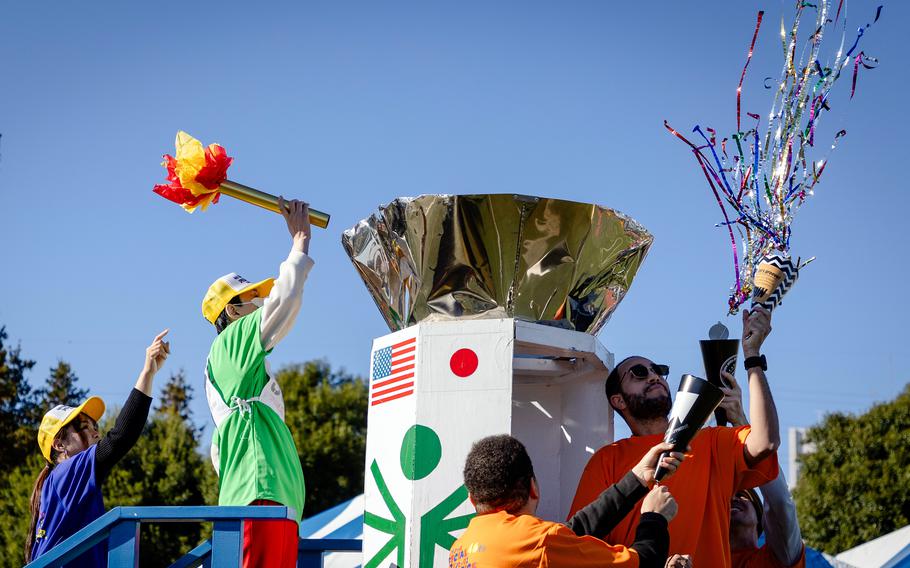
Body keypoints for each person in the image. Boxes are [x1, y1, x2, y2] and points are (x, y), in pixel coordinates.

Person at [568, 307, 781, 567]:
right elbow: (578, 544)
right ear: (618, 400)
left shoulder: (711, 441)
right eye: (639, 373)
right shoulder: (607, 460)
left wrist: (752, 358)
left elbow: (766, 441)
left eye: (657, 369)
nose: (654, 375)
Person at [202, 197, 313, 568]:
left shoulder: (239, 371)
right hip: (259, 496)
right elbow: (283, 303)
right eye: (251, 299)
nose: (259, 303)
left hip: (270, 499)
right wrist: (299, 242)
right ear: (232, 311)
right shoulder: (228, 343)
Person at [25, 330, 170, 567]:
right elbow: (120, 438)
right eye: (84, 427)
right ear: (59, 445)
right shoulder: (65, 474)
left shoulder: (60, 485)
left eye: (95, 426)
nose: (95, 432)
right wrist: (147, 372)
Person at [449, 434, 685, 568]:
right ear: (533, 488)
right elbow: (641, 564)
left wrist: (636, 479)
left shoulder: (460, 549)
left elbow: (569, 535)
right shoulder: (539, 541)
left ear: (472, 499)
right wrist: (654, 518)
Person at [720, 370, 805, 568]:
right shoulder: (694, 559)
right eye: (724, 497)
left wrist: (741, 424)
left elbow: (780, 503)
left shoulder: (778, 559)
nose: (733, 498)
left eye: (741, 495)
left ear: (760, 517)